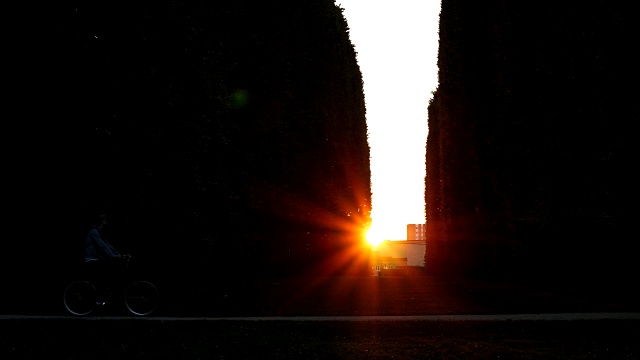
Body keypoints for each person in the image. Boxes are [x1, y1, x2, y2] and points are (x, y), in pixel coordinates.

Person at [84, 214, 129, 287]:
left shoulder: (100, 233)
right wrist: (113, 256)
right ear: (101, 222)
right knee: (106, 273)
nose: (107, 223)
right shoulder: (94, 232)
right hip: (91, 259)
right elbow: (102, 245)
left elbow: (108, 245)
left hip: (97, 259)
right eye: (106, 221)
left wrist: (118, 254)